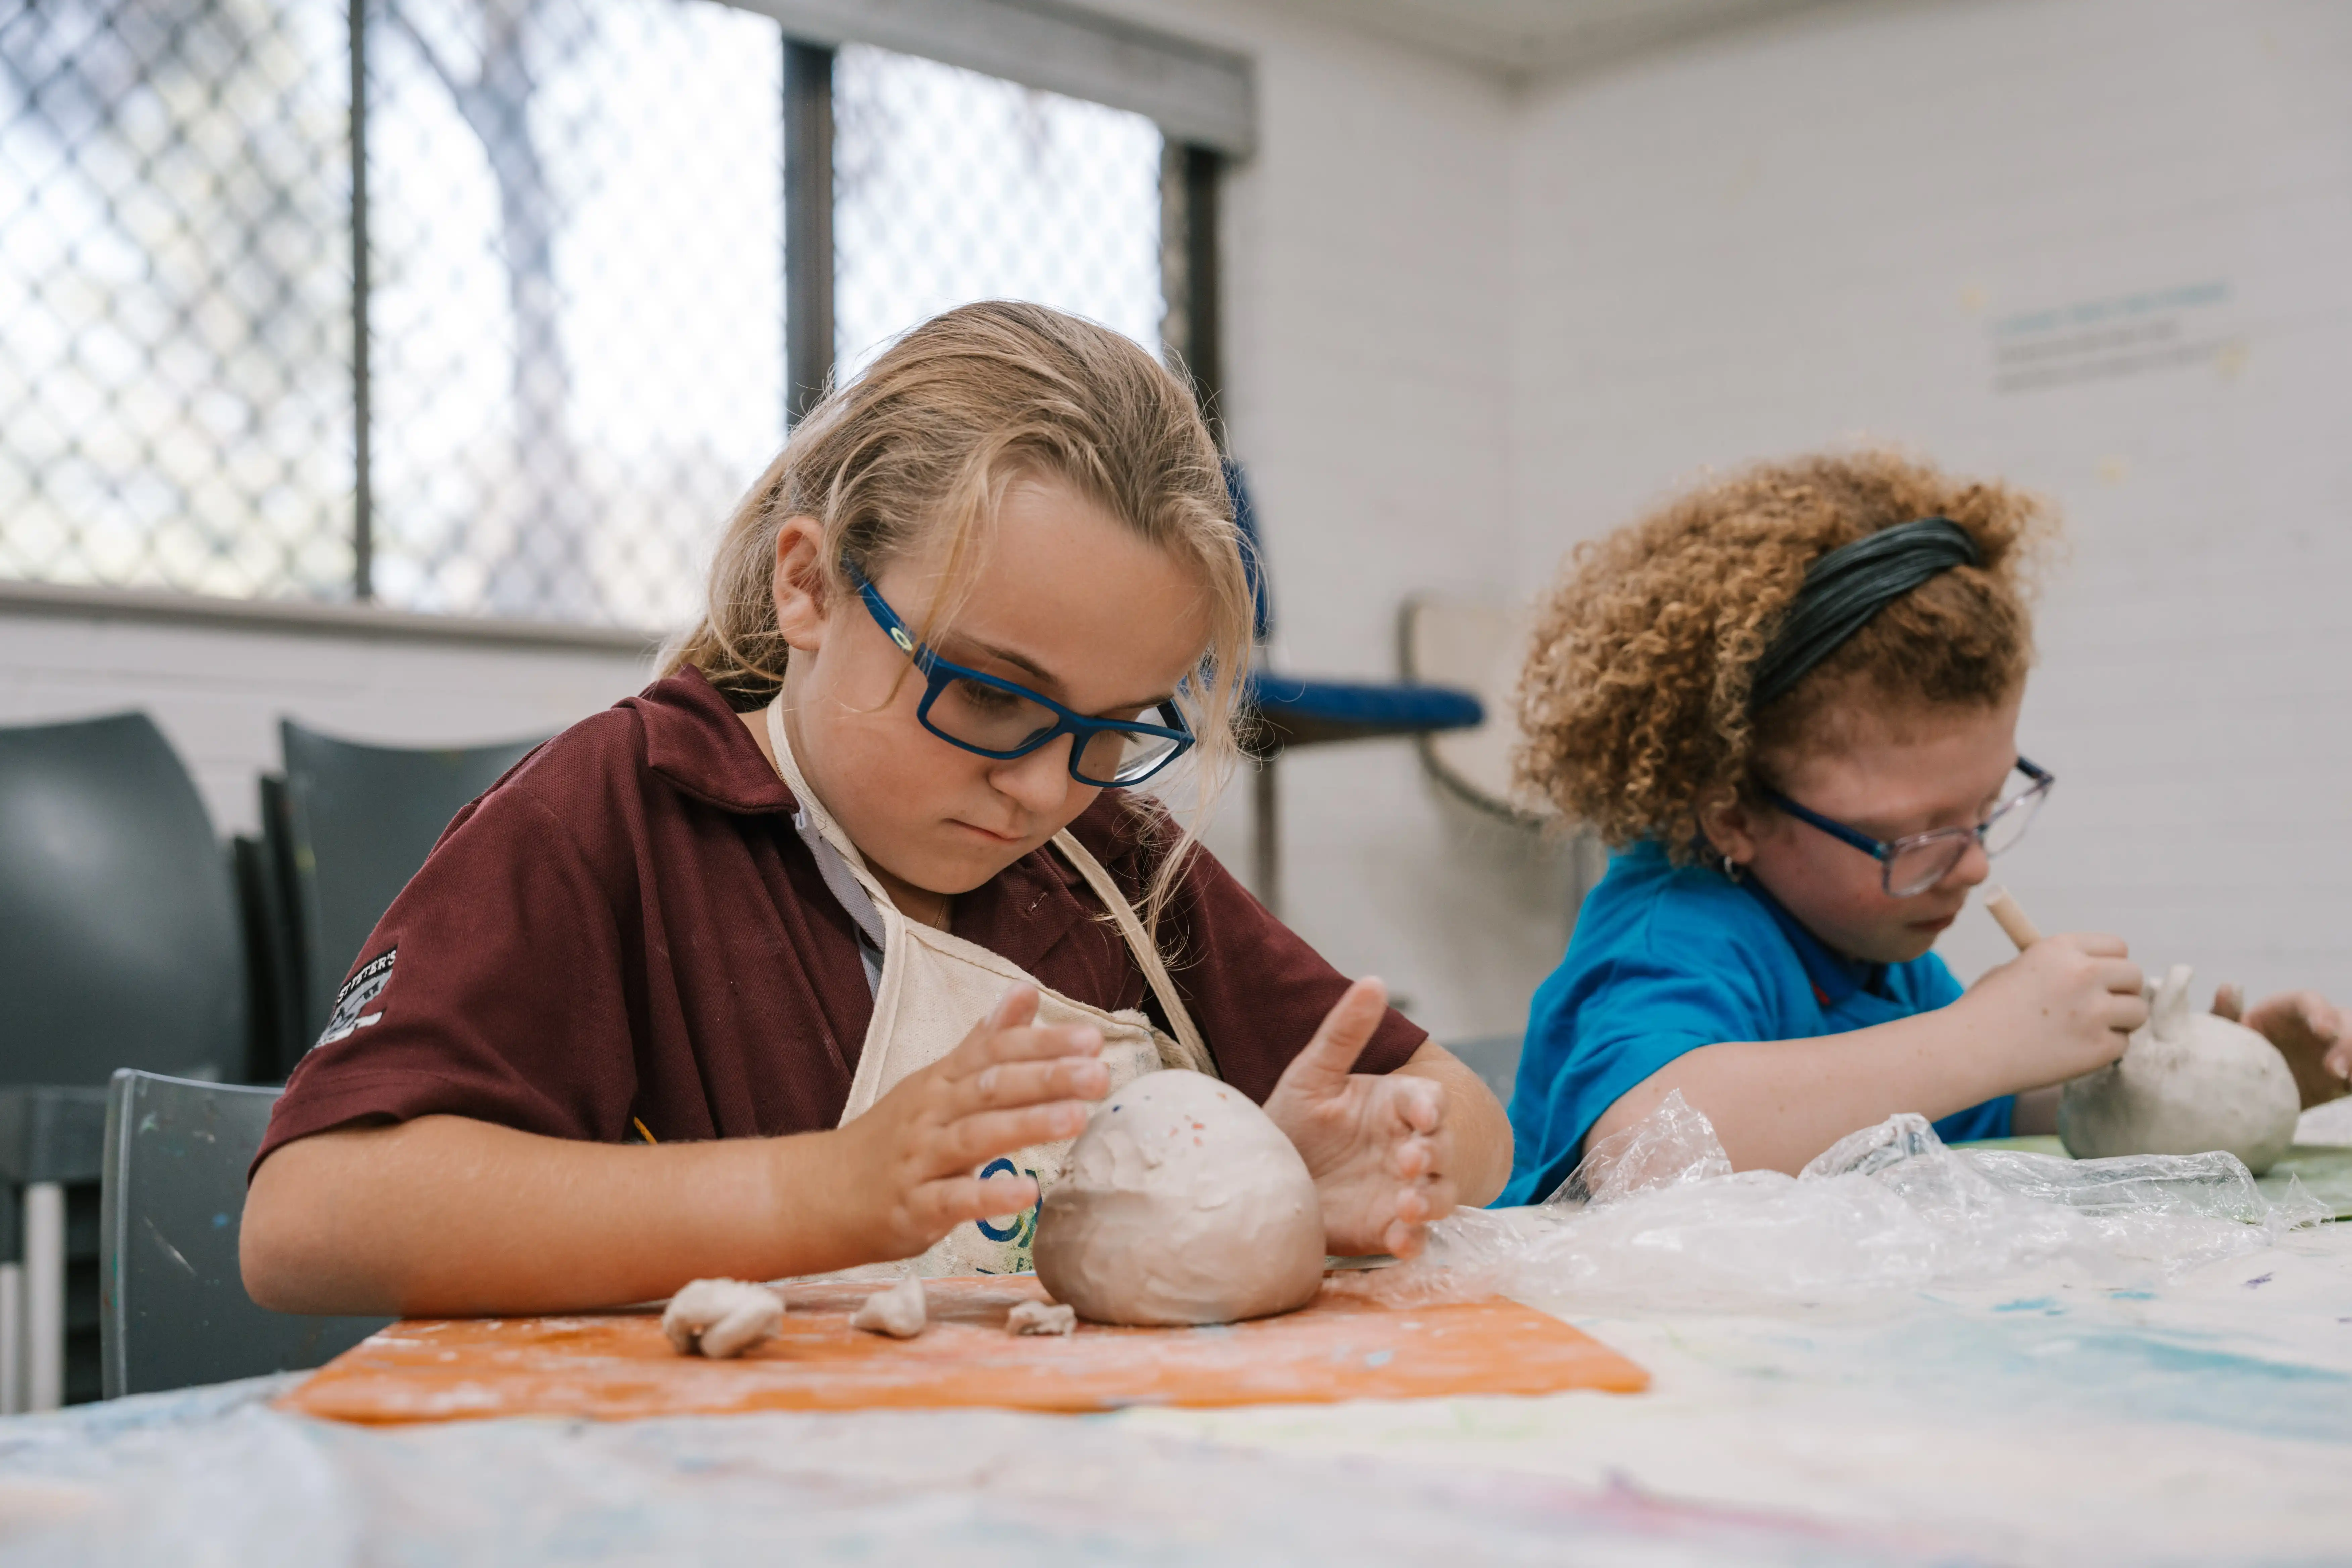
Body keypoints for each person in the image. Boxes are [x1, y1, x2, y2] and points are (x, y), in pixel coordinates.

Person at [241, 302, 1512, 1316]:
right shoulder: (618, 817)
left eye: (1113, 728)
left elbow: (1467, 1116)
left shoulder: (1107, 865)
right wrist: (826, 1192)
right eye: (991, 698)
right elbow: (310, 1223)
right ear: (809, 587)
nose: (1041, 788)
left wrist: (1318, 1170)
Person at [1499, 451, 2351, 1200]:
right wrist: (1981, 1036)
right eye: (1916, 835)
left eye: (1987, 809)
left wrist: (2217, 1081)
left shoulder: (1873, 947)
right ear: (1732, 812)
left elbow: (1996, 1098)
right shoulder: (1671, 935)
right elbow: (1642, 1155)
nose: (1974, 865)